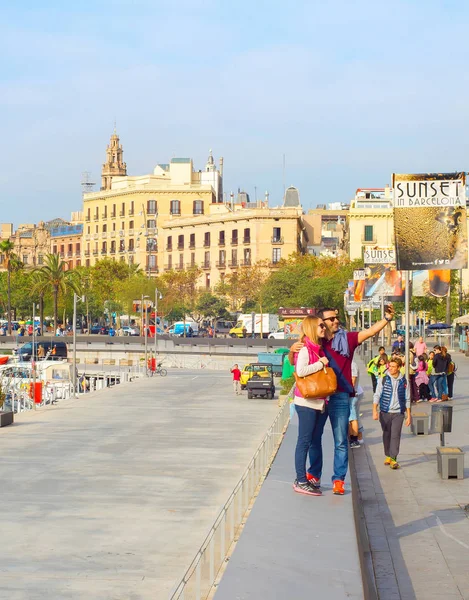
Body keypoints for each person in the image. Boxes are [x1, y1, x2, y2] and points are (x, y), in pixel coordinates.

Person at [290, 304, 394, 495]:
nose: (336, 321)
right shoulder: (315, 342)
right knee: (314, 439)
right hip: (319, 397)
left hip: (340, 397)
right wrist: (291, 349)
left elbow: (369, 332)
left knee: (340, 440)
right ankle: (314, 474)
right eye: (330, 319)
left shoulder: (347, 339)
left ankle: (338, 479)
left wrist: (386, 319)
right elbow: (297, 362)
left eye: (336, 318)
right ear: (321, 322)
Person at [292, 315, 329, 496]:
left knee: (314, 441)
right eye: (320, 325)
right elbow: (300, 371)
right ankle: (300, 480)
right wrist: (320, 363)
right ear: (311, 328)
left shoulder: (317, 348)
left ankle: (311, 477)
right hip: (306, 402)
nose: (324, 328)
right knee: (304, 441)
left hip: (318, 401)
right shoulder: (306, 349)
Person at [373, 357, 411, 470]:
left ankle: (394, 458)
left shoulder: (404, 381)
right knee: (387, 434)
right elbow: (377, 394)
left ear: (399, 368)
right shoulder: (383, 379)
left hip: (398, 413)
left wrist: (409, 415)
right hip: (385, 412)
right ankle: (388, 455)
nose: (391, 368)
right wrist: (374, 410)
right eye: (390, 366)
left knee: (395, 435)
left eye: (394, 367)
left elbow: (407, 398)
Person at [350, 359, 364, 449]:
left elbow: (353, 379)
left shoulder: (352, 364)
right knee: (355, 416)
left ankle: (355, 439)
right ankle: (359, 437)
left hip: (353, 394)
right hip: (354, 393)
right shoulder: (351, 363)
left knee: (353, 417)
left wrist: (349, 391)